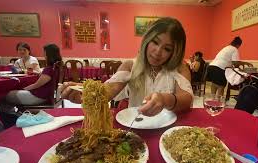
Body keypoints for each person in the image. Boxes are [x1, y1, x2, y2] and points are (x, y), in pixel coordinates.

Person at [60, 17, 193, 117]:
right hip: (135, 126)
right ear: (147, 40)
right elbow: (108, 90)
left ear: (175, 52)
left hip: (168, 129)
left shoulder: (180, 68)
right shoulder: (130, 65)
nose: (157, 52)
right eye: (155, 42)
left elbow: (186, 99)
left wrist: (164, 99)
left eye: (167, 49)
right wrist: (86, 94)